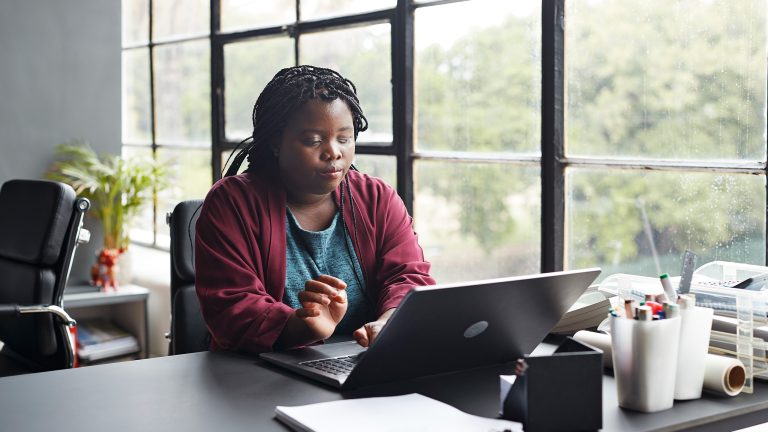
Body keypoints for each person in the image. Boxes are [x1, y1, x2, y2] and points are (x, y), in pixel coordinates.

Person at [195, 65, 436, 354]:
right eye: (313, 140)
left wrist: (389, 322)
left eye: (344, 139)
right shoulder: (233, 203)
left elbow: (408, 276)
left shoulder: (377, 198)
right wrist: (302, 325)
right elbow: (232, 306)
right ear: (276, 142)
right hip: (259, 374)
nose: (333, 152)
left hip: (362, 364)